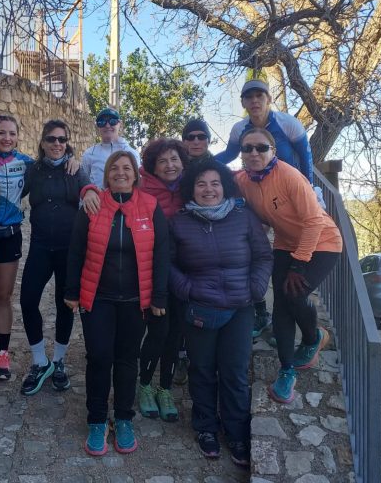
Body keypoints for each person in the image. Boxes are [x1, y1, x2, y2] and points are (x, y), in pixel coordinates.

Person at [65, 151, 170, 456]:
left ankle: (124, 417)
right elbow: (76, 250)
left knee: (127, 360)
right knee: (99, 357)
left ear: (135, 175)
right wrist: (71, 291)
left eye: (127, 168)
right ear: (107, 175)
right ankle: (97, 419)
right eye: (115, 169)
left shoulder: (150, 206)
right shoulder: (93, 205)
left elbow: (162, 254)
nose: (121, 173)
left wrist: (159, 296)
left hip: (136, 301)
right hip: (98, 298)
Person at [169, 159, 272, 466]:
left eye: (214, 183)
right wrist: (186, 290)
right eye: (201, 184)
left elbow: (263, 255)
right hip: (200, 307)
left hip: (240, 307)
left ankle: (237, 432)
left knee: (235, 372)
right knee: (201, 369)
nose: (208, 190)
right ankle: (206, 428)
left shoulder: (243, 218)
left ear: (224, 186)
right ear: (191, 190)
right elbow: (168, 264)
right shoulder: (179, 222)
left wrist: (255, 288)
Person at [234, 128, 342, 405]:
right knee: (281, 303)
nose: (254, 153)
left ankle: (313, 336)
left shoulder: (290, 176)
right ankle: (286, 370)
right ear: (242, 153)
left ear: (273, 150)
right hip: (285, 243)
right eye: (247, 148)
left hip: (322, 242)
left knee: (295, 293)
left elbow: (314, 221)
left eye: (261, 147)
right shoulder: (243, 180)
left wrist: (299, 264)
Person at [215, 75, 320, 338]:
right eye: (249, 97)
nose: (254, 101)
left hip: (289, 197)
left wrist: (308, 187)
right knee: (252, 250)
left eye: (259, 96)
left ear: (268, 99)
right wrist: (198, 164)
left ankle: (290, 320)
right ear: (243, 102)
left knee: (291, 257)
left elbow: (305, 156)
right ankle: (260, 311)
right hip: (258, 195)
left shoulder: (287, 124)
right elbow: (228, 157)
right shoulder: (240, 130)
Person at [19, 120, 88, 396]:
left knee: (65, 304)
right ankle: (39, 361)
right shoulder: (32, 170)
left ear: (67, 142)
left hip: (68, 250)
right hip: (39, 246)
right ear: (43, 142)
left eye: (62, 139)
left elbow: (92, 191)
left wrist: (77, 164)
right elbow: (9, 185)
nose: (57, 144)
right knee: (27, 300)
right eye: (51, 139)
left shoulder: (76, 170)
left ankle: (58, 361)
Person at [136, 138, 188, 422]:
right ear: (153, 166)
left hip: (186, 270)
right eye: (163, 161)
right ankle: (145, 384)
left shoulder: (189, 188)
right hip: (154, 270)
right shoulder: (143, 190)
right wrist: (89, 188)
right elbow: (112, 193)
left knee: (176, 332)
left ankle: (165, 388)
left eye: (174, 160)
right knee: (158, 330)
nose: (170, 165)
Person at [81, 107, 140, 188]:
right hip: (99, 199)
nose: (107, 125)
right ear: (97, 127)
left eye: (113, 121)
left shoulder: (132, 153)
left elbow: (138, 183)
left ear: (120, 124)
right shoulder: (89, 154)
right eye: (102, 122)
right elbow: (84, 183)